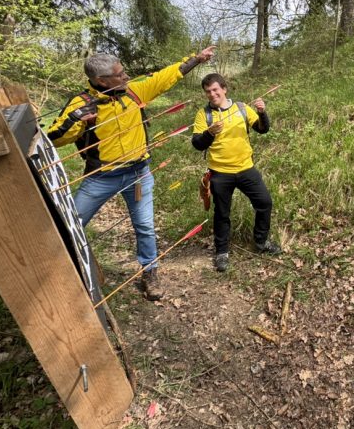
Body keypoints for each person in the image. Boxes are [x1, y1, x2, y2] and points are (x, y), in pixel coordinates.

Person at [47, 46, 216, 300]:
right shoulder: (81, 104)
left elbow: (165, 77)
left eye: (124, 71)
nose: (126, 76)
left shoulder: (134, 91)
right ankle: (60, 275)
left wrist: (197, 59)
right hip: (101, 177)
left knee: (145, 226)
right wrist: (77, 120)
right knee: (71, 224)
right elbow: (55, 138)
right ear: (101, 80)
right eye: (119, 74)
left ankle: (150, 271)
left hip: (138, 174)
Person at [191, 73, 280, 272]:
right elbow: (197, 144)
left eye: (215, 89)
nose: (212, 94)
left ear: (224, 89)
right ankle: (222, 252)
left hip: (246, 168)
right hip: (219, 172)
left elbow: (262, 129)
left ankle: (261, 242)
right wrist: (209, 133)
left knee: (265, 203)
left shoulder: (241, 108)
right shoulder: (204, 114)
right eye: (208, 91)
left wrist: (262, 112)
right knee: (222, 213)